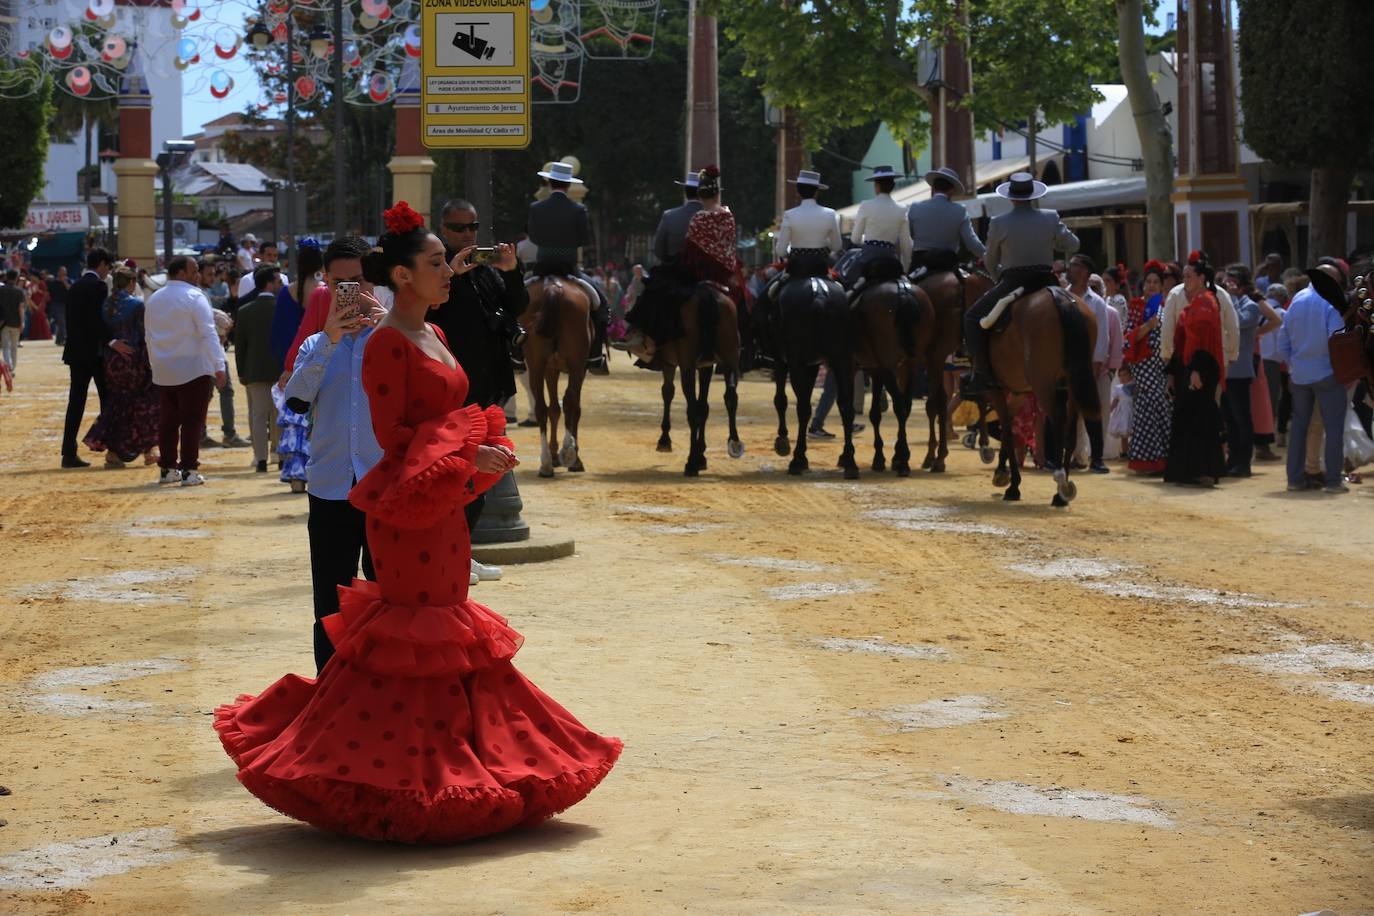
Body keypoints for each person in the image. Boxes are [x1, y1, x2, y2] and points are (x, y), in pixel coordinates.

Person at [214, 201, 621, 843]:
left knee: (444, 630)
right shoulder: (381, 345)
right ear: (402, 276)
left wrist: (469, 458)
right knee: (411, 634)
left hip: (443, 506)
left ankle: (465, 756)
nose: (446, 271)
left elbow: (453, 409)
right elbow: (396, 435)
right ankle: (397, 772)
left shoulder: (436, 332)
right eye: (435, 263)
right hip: (406, 511)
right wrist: (464, 454)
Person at [282, 240, 386, 671]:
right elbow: (296, 403)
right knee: (330, 602)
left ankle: (390, 689)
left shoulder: (396, 338)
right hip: (330, 489)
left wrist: (383, 328)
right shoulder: (314, 346)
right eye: (340, 282)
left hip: (386, 489)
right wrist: (330, 340)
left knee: (390, 597)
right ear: (325, 282)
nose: (350, 290)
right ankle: (329, 692)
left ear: (374, 282)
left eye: (358, 281)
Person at [431, 198, 529, 584]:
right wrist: (451, 274)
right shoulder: (437, 269)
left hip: (488, 388)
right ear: (443, 227)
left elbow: (517, 306)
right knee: (454, 479)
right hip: (453, 391)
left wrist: (513, 270)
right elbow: (425, 310)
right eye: (458, 228)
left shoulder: (487, 272)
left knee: (478, 482)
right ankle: (448, 555)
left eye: (472, 227)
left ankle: (462, 553)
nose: (467, 235)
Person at [962, 172, 1079, 395]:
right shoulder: (1050, 217)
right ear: (1032, 196)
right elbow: (1073, 245)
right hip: (1047, 281)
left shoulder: (999, 222)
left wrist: (999, 279)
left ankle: (982, 374)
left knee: (972, 318)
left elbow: (990, 260)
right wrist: (1053, 240)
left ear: (1011, 197)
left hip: (1012, 282)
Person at [144, 256, 227, 487]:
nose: (197, 275)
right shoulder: (194, 296)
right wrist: (219, 365)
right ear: (181, 273)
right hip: (193, 367)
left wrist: (154, 364)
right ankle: (189, 469)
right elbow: (208, 333)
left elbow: (148, 335)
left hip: (164, 368)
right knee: (192, 421)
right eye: (194, 271)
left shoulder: (154, 299)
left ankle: (168, 469)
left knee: (168, 421)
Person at [526, 162, 610, 372]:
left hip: (542, 266)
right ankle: (595, 354)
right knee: (601, 306)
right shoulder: (578, 209)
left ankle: (516, 355)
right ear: (568, 185)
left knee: (515, 304)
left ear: (549, 181)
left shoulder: (536, 208)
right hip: (569, 268)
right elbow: (583, 239)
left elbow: (534, 237)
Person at [614, 172, 703, 358]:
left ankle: (638, 334)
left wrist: (669, 260)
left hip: (675, 272)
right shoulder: (711, 217)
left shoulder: (670, 216)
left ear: (685, 193)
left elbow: (658, 250)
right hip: (705, 272)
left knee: (650, 296)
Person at [1277, 263, 1349, 493]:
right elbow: (1337, 340)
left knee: (1298, 427)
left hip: (1300, 374)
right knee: (1334, 427)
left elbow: (1282, 343)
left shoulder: (1297, 300)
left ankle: (1295, 480)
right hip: (1327, 373)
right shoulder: (1331, 302)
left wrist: (1292, 367)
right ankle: (1333, 482)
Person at [82, 266, 158, 468]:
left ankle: (114, 453)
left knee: (118, 404)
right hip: (134, 360)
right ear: (132, 283)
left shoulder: (106, 304)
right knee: (145, 404)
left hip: (112, 361)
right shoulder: (136, 305)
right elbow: (144, 336)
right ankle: (150, 449)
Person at [1164, 253, 1227, 487]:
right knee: (1187, 418)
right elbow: (1182, 341)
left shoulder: (1207, 301)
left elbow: (1202, 340)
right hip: (1187, 367)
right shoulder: (1196, 303)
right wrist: (1172, 373)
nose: (1186, 280)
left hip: (1201, 366)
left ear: (1201, 278)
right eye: (1184, 276)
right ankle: (1188, 470)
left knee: (1202, 418)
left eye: (1189, 276)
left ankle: (1205, 470)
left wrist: (1197, 370)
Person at [271, 239, 324, 493]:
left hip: (297, 362)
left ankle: (295, 475)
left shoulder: (287, 291)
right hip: (324, 359)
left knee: (297, 420)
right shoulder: (325, 291)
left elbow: (281, 332)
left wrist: (288, 364)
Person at [1220, 264, 1282, 477]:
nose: (1228, 286)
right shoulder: (1226, 303)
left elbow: (1236, 322)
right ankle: (1232, 459)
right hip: (1226, 371)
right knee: (1229, 419)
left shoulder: (1250, 306)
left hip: (1240, 371)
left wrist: (1233, 298)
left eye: (1232, 282)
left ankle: (1243, 462)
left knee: (1241, 419)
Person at [60, 248, 115, 468]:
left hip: (76, 352)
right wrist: (111, 341)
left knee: (76, 402)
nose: (107, 271)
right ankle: (112, 448)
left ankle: (68, 452)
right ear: (101, 264)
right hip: (96, 352)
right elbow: (97, 320)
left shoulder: (74, 286)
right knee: (108, 401)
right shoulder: (98, 286)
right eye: (108, 266)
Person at [233, 265, 284, 473]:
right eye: (278, 281)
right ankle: (281, 457)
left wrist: (241, 371)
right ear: (270, 283)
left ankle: (261, 459)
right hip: (280, 370)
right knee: (278, 415)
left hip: (254, 370)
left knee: (258, 416)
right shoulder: (282, 308)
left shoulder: (245, 311)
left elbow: (240, 345)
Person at [1125, 260, 1171, 474]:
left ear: (1162, 286)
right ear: (1143, 285)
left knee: (1155, 405)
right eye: (1148, 282)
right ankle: (1150, 460)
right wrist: (1147, 326)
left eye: (1156, 282)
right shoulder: (1136, 306)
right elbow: (1128, 338)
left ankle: (1160, 459)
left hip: (1160, 364)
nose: (1151, 285)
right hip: (1142, 364)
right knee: (1152, 401)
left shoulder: (1165, 307)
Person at [1067, 254, 1111, 472]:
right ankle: (1061, 457)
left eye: (1075, 265)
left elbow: (1102, 338)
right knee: (1062, 412)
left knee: (1091, 413)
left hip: (1086, 365)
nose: (1070, 268)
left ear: (1084, 271)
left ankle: (1097, 459)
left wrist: (1095, 366)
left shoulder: (1098, 303)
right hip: (1063, 364)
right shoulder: (1059, 296)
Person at [842, 165, 913, 298]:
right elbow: (906, 245)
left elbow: (855, 239)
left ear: (877, 186)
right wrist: (904, 269)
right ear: (892, 186)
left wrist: (867, 238)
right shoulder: (902, 209)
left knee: (846, 282)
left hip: (868, 257)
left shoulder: (866, 205)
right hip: (891, 259)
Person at [906, 166, 985, 276]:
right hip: (948, 264)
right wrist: (986, 255)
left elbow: (908, 236)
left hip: (919, 263)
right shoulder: (960, 211)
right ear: (952, 190)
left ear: (933, 188)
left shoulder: (915, 207)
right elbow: (972, 243)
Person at [1256, 282, 1289, 461]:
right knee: (1270, 406)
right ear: (1283, 298)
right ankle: (1264, 445)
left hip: (1256, 359)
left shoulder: (1256, 310)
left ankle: (1260, 444)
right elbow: (1284, 342)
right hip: (1272, 364)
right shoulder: (1281, 314)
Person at [0, 271, 23, 371]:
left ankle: (8, 366)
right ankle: (12, 368)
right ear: (16, 278)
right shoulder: (19, 291)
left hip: (4, 322)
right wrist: (22, 322)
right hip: (16, 322)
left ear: (6, 277)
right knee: (14, 347)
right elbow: (20, 308)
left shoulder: (1, 290)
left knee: (5, 347)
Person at [47, 265, 70, 345]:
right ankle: (65, 339)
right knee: (61, 322)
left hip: (66, 304)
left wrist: (65, 282)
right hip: (57, 304)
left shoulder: (68, 281)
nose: (64, 275)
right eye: (62, 273)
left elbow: (70, 290)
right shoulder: (53, 282)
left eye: (65, 273)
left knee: (64, 322)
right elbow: (49, 293)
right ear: (58, 273)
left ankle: (59, 340)